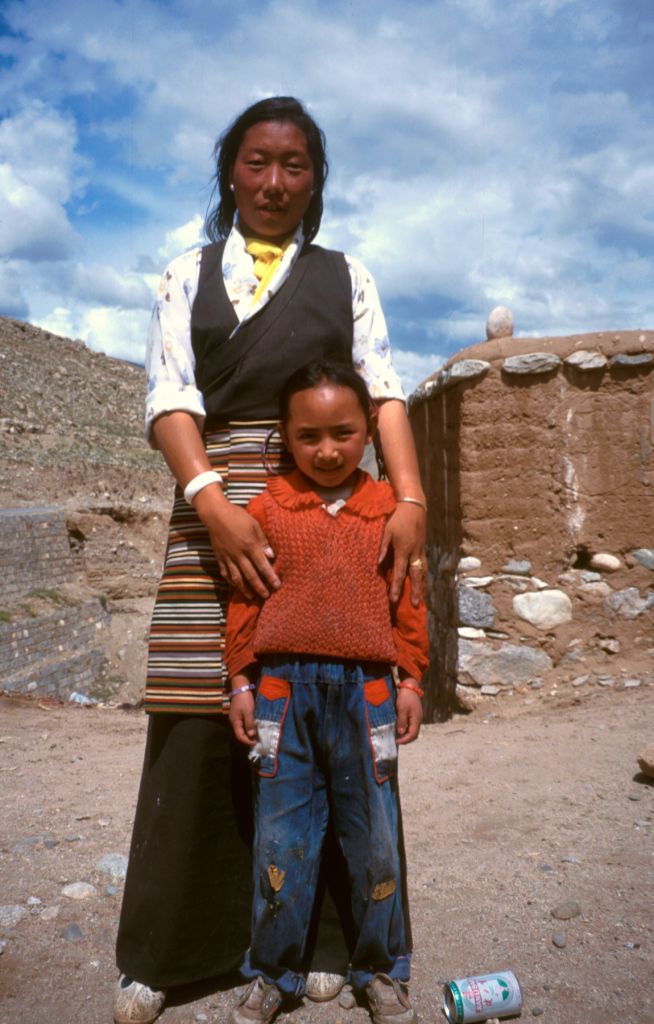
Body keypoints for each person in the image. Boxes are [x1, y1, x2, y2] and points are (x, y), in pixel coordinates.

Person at [114, 96, 427, 1024]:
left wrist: (408, 501)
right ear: (230, 171)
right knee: (197, 708)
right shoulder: (184, 274)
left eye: (296, 166)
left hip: (327, 514)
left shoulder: (346, 277)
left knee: (333, 707)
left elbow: (384, 395)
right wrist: (213, 503)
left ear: (315, 182)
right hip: (215, 508)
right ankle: (172, 951)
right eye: (258, 162)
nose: (275, 183)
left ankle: (333, 943)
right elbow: (170, 396)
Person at [225, 360, 428, 1024]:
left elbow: (409, 603)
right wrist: (240, 681)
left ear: (370, 429)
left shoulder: (389, 515)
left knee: (373, 839)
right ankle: (272, 972)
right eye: (308, 435)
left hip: (367, 694)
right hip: (282, 693)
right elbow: (244, 602)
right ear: (285, 436)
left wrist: (412, 679)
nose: (328, 450)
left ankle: (379, 968)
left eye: (343, 432)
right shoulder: (267, 509)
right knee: (282, 841)